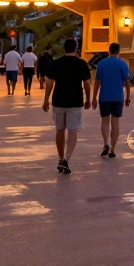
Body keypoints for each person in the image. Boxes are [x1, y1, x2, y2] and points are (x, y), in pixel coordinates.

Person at [42, 38, 92, 174]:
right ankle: (66, 159)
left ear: (64, 49)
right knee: (72, 131)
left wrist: (46, 100)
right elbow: (87, 83)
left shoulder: (56, 63)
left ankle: (60, 158)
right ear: (76, 49)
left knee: (60, 130)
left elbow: (49, 82)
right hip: (75, 102)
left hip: (58, 100)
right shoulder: (81, 63)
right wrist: (88, 99)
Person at [91, 42, 132, 158]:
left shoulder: (101, 63)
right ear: (118, 51)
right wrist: (128, 97)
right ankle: (112, 149)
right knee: (115, 122)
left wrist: (94, 98)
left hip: (104, 97)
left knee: (105, 121)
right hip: (117, 97)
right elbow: (127, 81)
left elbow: (97, 82)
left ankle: (105, 143)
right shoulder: (122, 63)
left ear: (109, 50)